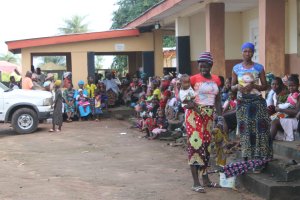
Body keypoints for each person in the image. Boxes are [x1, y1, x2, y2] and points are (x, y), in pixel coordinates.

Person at [231, 42, 272, 171]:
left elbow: (265, 86)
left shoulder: (259, 67)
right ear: (242, 52)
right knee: (245, 130)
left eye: (250, 51)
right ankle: (246, 159)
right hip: (242, 104)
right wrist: (237, 87)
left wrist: (254, 86)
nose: (247, 54)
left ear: (253, 53)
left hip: (257, 103)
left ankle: (260, 160)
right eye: (245, 51)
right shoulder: (236, 68)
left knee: (261, 131)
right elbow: (231, 87)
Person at [186, 52, 222, 193]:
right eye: (200, 66)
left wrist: (220, 116)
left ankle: (206, 180)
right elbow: (186, 99)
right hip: (194, 116)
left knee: (207, 146)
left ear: (211, 65)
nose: (203, 68)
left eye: (205, 66)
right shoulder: (193, 79)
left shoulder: (216, 79)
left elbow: (217, 100)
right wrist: (196, 108)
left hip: (209, 116)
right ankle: (196, 183)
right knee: (196, 146)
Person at [270, 75, 300, 141]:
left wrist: (281, 109)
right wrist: (279, 106)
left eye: (293, 85)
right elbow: (286, 104)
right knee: (270, 118)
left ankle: (268, 142)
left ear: (298, 85)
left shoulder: (298, 96)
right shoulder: (290, 95)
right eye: (289, 86)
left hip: (295, 119)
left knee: (274, 122)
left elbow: (296, 112)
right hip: (288, 115)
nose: (290, 88)